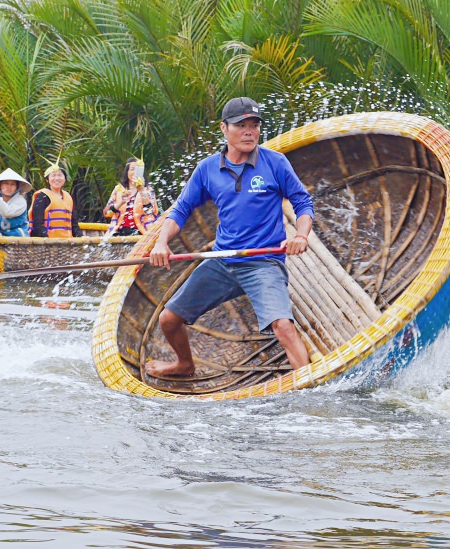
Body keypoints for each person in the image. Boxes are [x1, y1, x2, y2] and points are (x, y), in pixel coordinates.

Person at [145, 97, 314, 377]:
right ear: (224, 129)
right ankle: (185, 365)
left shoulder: (275, 163)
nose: (249, 132)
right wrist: (161, 243)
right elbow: (180, 210)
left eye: (254, 125)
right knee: (168, 319)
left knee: (283, 326)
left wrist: (301, 235)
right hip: (222, 260)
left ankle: (311, 389)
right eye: (241, 125)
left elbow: (303, 203)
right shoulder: (208, 169)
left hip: (264, 262)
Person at [104, 157, 160, 236]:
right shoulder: (118, 189)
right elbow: (107, 213)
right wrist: (121, 202)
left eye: (137, 170)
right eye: (132, 169)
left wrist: (141, 191)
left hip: (141, 231)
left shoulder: (148, 190)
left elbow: (150, 212)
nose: (134, 172)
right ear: (127, 172)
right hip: (118, 231)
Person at [30, 163, 82, 238]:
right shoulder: (42, 197)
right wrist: (46, 239)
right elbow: (38, 224)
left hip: (67, 241)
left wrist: (80, 236)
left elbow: (73, 223)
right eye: (53, 175)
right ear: (47, 179)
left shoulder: (68, 197)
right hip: (47, 241)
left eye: (60, 175)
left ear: (64, 178)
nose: (57, 178)